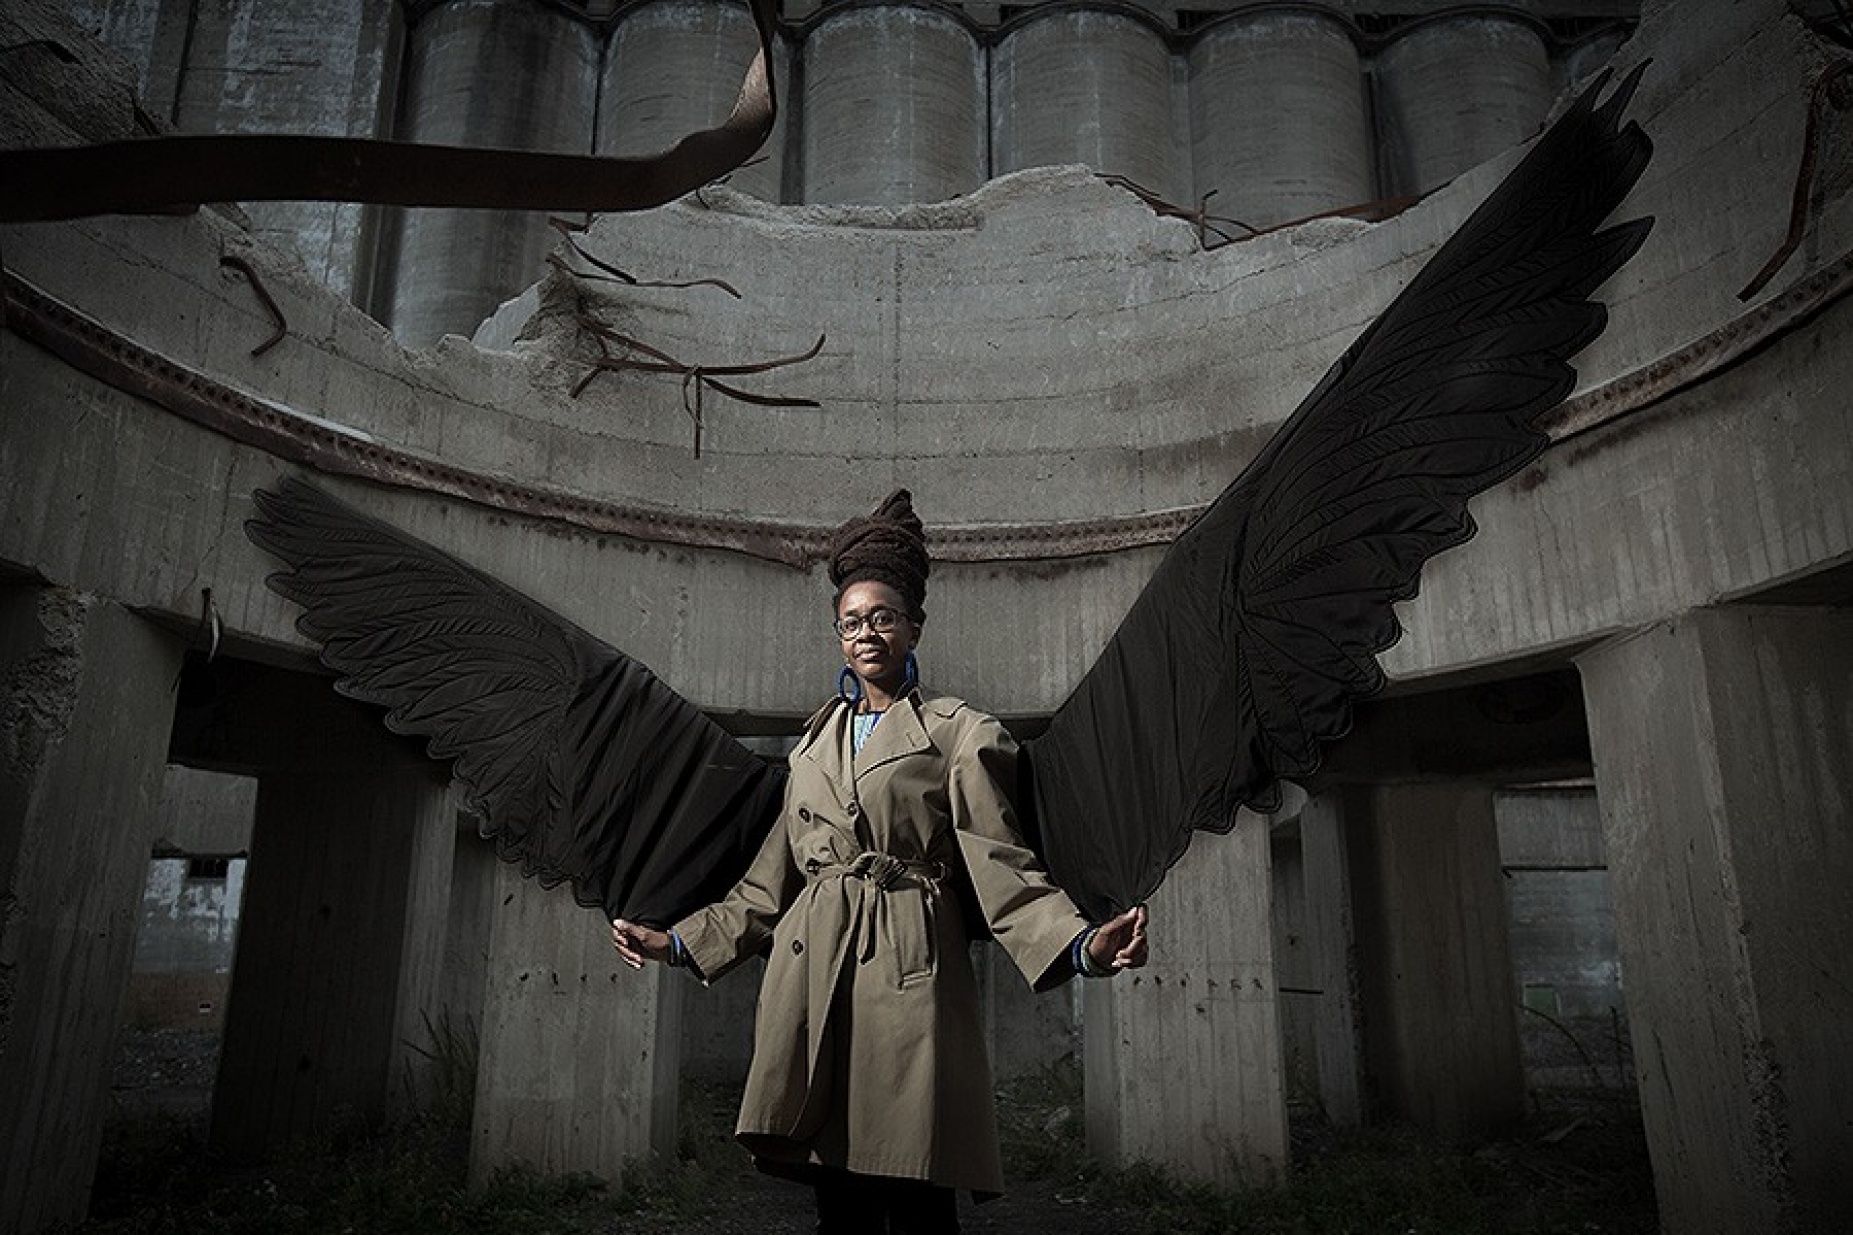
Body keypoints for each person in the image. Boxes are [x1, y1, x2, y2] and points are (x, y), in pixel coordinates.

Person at [612, 489, 1148, 1235]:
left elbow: (1000, 858)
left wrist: (1083, 945)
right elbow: (769, 883)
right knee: (839, 1195)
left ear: (913, 627)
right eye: (852, 620)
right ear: (838, 636)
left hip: (908, 966)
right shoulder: (809, 746)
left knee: (918, 1183)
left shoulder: (959, 731)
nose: (867, 631)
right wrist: (672, 940)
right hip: (814, 972)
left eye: (883, 616)